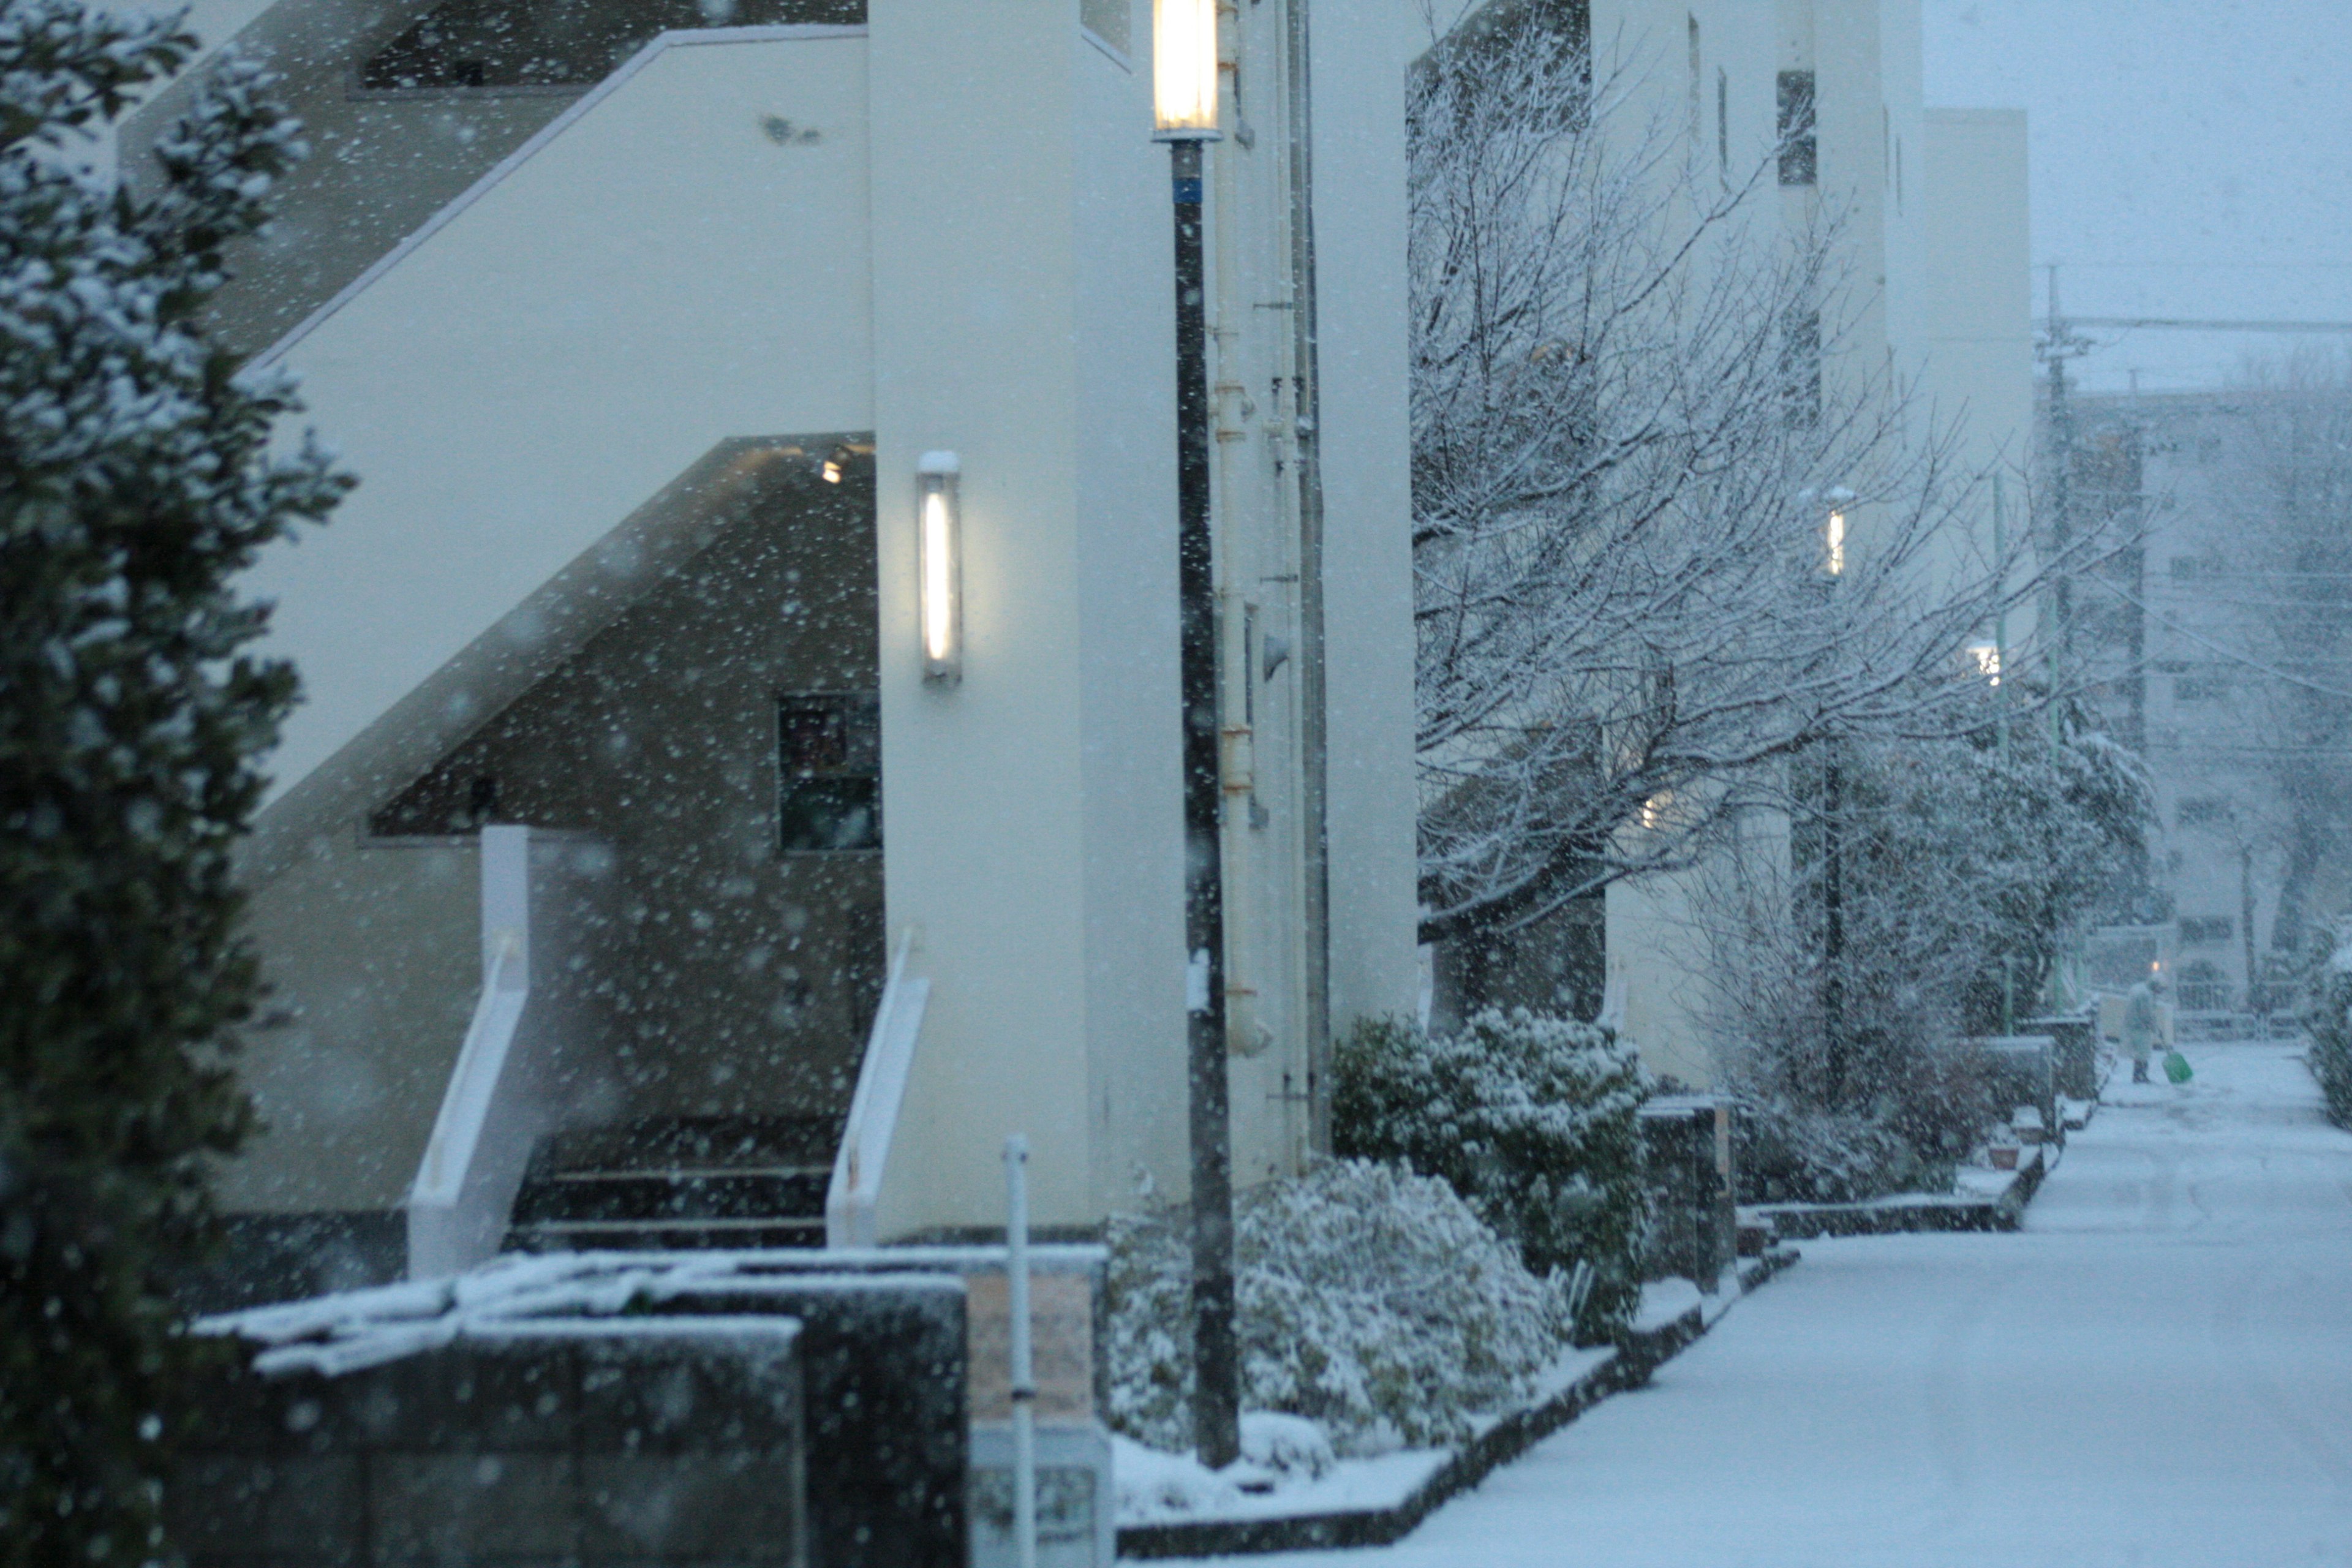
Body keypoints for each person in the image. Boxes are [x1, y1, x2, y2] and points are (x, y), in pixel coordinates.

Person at [2122, 973, 2167, 1084]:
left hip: (2133, 1025)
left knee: (2140, 1053)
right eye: (2160, 988)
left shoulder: (2140, 988)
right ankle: (2140, 1077)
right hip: (2140, 1027)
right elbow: (2147, 1015)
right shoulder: (2146, 995)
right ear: (2155, 985)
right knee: (2143, 1054)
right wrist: (2156, 1029)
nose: (2160, 992)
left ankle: (2139, 1076)